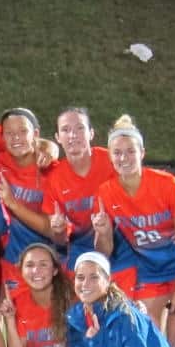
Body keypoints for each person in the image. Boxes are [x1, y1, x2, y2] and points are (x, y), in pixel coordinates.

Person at [92, 114, 175, 347]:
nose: (124, 158)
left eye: (130, 151)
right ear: (110, 157)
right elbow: (105, 251)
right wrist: (102, 232)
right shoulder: (107, 192)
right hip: (151, 267)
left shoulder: (165, 184)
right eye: (117, 153)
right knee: (150, 340)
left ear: (142, 152)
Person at [42, 106, 119, 278]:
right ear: (57, 138)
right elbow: (60, 239)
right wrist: (59, 230)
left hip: (122, 241)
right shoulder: (55, 178)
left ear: (91, 133)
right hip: (82, 247)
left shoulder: (112, 161)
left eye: (80, 128)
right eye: (65, 130)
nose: (73, 135)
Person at [0, 107, 53, 295]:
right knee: (7, 307)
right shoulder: (1, 161)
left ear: (35, 134)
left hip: (49, 249)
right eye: (9, 133)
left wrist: (13, 204)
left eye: (23, 131)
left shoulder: (52, 171)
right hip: (14, 248)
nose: (16, 137)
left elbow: (51, 229)